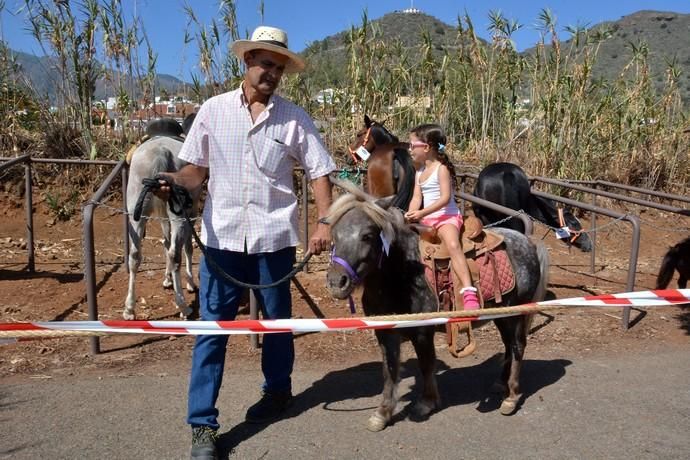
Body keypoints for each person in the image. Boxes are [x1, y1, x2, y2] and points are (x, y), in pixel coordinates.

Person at [154, 26, 335, 460]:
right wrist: (173, 182)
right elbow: (195, 172)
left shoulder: (293, 118)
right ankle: (202, 426)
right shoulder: (214, 111)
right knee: (211, 330)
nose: (271, 72)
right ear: (247, 61)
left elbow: (319, 171)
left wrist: (325, 221)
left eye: (278, 67)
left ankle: (277, 391)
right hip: (222, 240)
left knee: (276, 323)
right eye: (264, 63)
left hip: (274, 239)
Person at [404, 124, 480, 311]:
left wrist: (421, 213)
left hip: (446, 217)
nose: (409, 149)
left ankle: (469, 290)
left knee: (453, 245)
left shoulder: (441, 169)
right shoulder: (419, 172)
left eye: (413, 145)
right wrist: (411, 213)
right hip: (427, 219)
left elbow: (445, 198)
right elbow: (416, 197)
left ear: (427, 147)